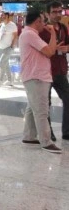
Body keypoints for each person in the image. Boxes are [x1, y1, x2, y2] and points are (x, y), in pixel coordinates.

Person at [19, 9, 64, 153]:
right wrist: (53, 33)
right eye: (43, 21)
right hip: (37, 77)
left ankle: (29, 136)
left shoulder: (29, 34)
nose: (45, 24)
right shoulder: (30, 34)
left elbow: (48, 50)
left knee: (32, 108)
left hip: (34, 76)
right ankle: (46, 141)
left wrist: (52, 45)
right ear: (37, 21)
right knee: (41, 111)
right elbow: (50, 52)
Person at [39, 1, 69, 141]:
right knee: (46, 103)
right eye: (54, 12)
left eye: (59, 11)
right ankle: (48, 132)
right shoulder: (42, 30)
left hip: (61, 70)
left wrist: (67, 48)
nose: (57, 14)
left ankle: (67, 131)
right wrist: (52, 49)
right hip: (46, 71)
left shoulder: (64, 28)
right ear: (47, 14)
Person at [0, 12, 18, 86]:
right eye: (1, 15)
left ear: (7, 16)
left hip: (8, 48)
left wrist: (12, 45)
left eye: (3, 15)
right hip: (1, 47)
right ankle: (10, 80)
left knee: (1, 63)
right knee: (6, 64)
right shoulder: (1, 25)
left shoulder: (12, 25)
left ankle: (0, 80)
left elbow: (15, 36)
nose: (1, 16)